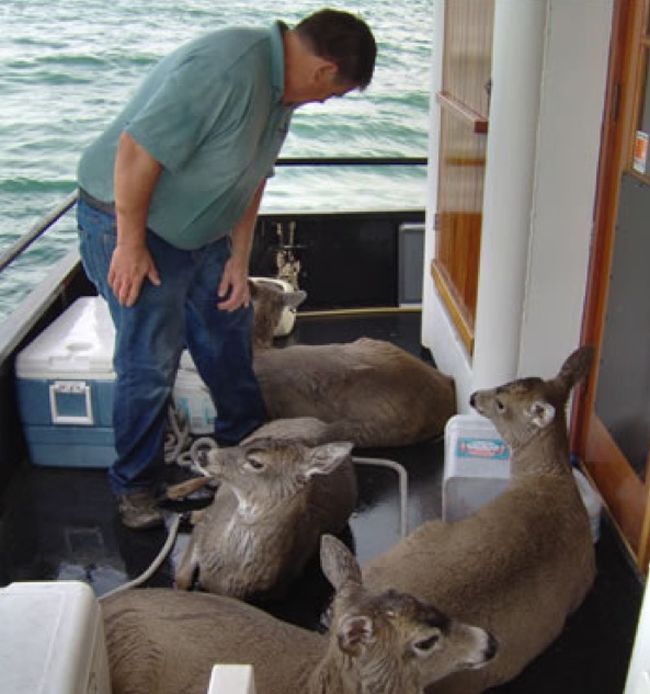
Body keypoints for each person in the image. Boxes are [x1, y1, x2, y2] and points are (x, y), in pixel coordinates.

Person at [76, 9, 376, 529]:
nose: (328, 102)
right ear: (324, 70)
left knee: (226, 335)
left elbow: (251, 178)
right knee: (150, 362)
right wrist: (129, 244)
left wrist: (239, 258)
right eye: (335, 93)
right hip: (131, 224)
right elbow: (135, 151)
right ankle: (136, 486)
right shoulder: (228, 68)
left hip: (205, 237)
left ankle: (251, 449)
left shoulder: (282, 93)